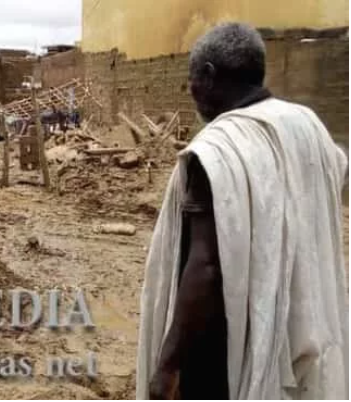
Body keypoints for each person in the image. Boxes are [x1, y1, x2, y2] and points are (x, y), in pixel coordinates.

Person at [137, 22, 348, 399]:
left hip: (225, 351)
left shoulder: (217, 150)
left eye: (192, 81)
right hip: (300, 333)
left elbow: (206, 267)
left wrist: (166, 367)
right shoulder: (307, 125)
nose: (191, 91)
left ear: (209, 75)